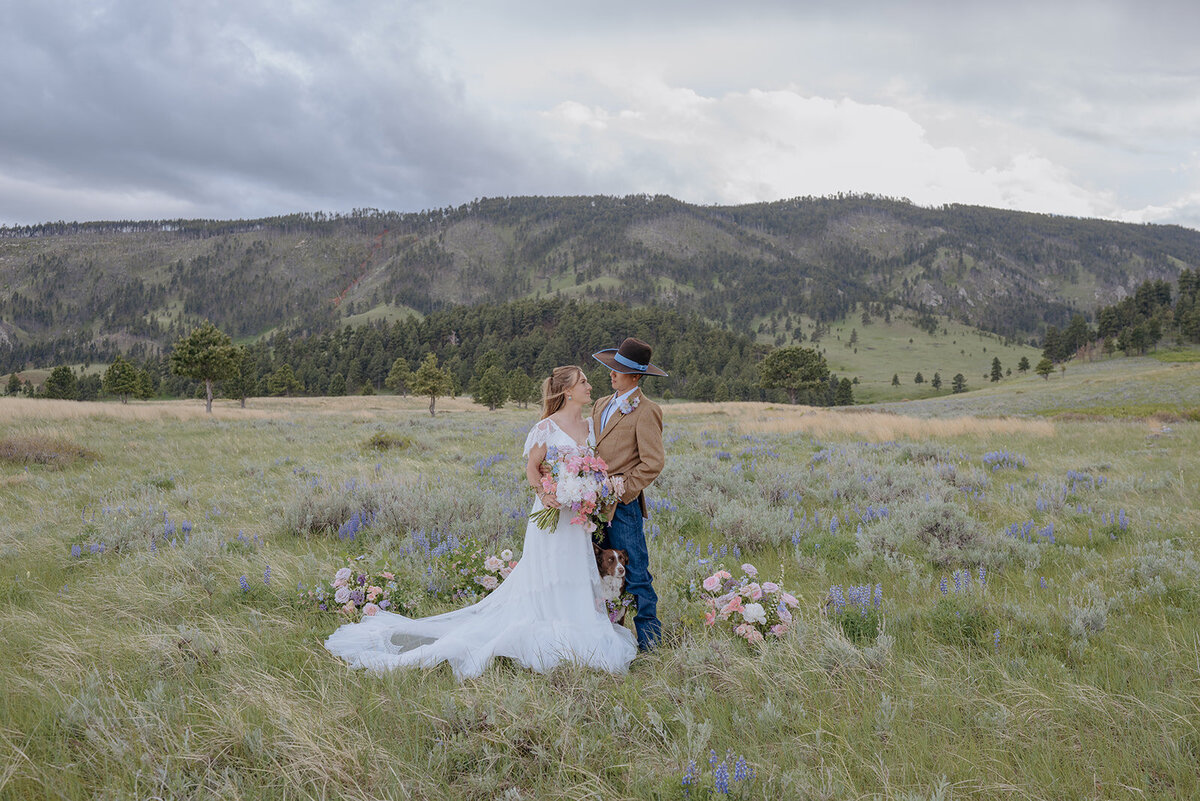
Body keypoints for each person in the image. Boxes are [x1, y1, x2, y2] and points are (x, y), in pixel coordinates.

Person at [324, 365, 636, 681]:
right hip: (551, 517)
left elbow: (592, 468)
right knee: (550, 573)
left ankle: (576, 626)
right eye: (583, 381)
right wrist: (544, 493)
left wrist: (588, 491)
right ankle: (547, 630)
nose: (589, 385)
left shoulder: (589, 427)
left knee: (574, 572)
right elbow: (532, 468)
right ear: (567, 391)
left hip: (577, 520)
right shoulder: (546, 428)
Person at [590, 337, 667, 651]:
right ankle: (607, 637)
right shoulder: (600, 404)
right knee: (598, 571)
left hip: (624, 508)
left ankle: (650, 642)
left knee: (635, 574)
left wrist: (622, 490)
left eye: (619, 370)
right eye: (612, 368)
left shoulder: (647, 410)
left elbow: (653, 462)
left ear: (636, 376)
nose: (612, 374)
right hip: (593, 506)